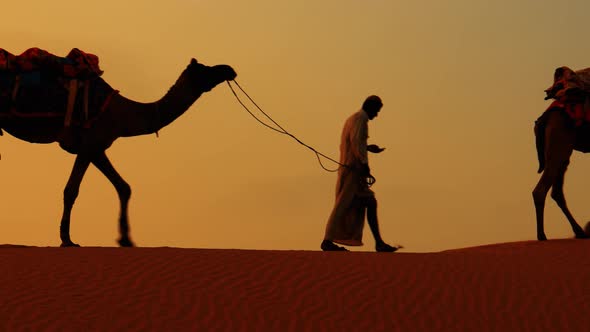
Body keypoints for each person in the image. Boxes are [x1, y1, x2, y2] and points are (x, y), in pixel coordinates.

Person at [321, 95, 399, 252]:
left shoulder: (354, 119)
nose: (376, 115)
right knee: (342, 205)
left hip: (353, 169)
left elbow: (356, 142)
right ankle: (327, 241)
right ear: (370, 107)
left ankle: (379, 242)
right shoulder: (360, 119)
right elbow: (356, 142)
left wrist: (369, 148)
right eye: (376, 111)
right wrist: (364, 164)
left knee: (369, 202)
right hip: (353, 170)